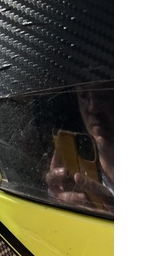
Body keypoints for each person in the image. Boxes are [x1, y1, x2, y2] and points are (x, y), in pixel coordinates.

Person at [45, 81, 114, 214]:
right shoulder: (73, 168)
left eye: (103, 95)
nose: (92, 108)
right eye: (83, 96)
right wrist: (56, 199)